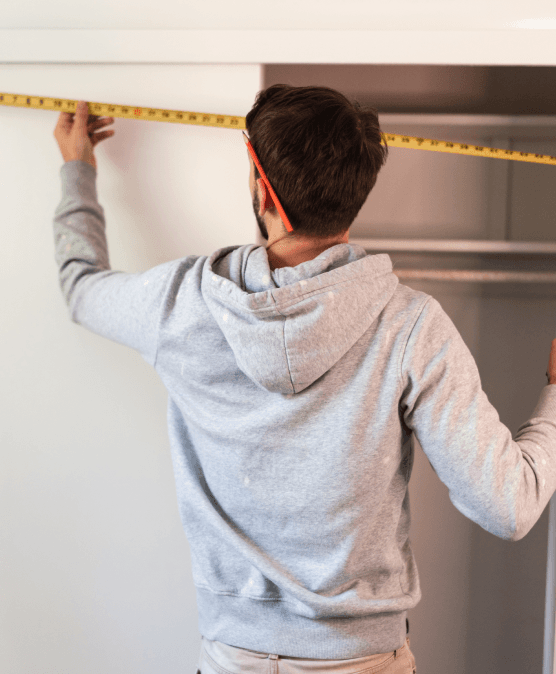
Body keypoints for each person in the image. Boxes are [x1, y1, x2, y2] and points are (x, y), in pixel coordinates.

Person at [53, 86, 556, 674]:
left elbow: (80, 283)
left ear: (263, 188)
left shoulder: (180, 305)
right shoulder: (411, 327)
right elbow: (509, 504)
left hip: (230, 660)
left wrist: (77, 169)